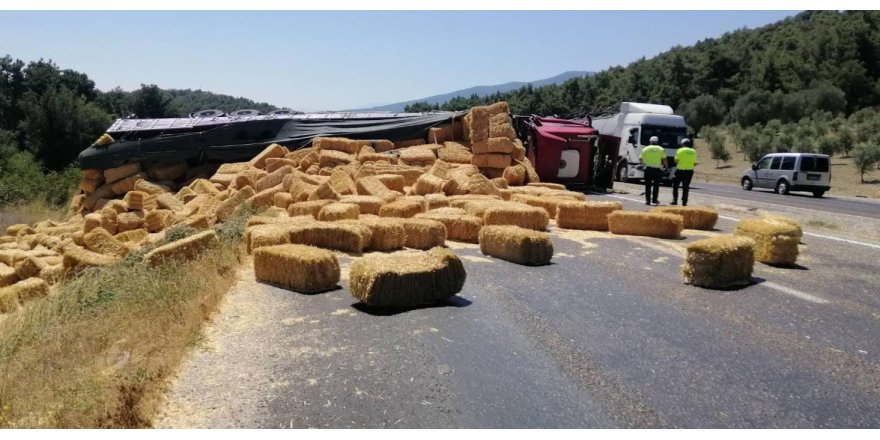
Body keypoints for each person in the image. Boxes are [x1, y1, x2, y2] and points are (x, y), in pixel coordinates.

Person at [639, 136, 667, 205]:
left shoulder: (645, 149)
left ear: (650, 141)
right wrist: (666, 167)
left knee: (648, 185)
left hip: (648, 169)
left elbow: (640, 159)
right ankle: (654, 200)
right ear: (657, 142)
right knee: (656, 186)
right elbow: (664, 159)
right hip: (657, 170)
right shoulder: (661, 149)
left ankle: (647, 201)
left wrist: (644, 164)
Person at [672, 138, 697, 206]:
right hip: (689, 171)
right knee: (686, 187)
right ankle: (684, 202)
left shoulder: (680, 150)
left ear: (682, 144)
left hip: (680, 170)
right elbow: (694, 163)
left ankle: (675, 200)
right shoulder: (693, 151)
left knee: (675, 185)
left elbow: (676, 160)